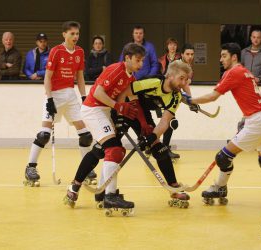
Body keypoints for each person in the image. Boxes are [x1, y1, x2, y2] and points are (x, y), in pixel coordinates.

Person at [183, 43, 261, 205]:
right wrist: (244, 119)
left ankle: (220, 187)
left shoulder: (233, 72)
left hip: (257, 121)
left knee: (223, 157)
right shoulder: (245, 71)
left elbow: (213, 96)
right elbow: (249, 97)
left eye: (224, 56)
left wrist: (190, 100)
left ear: (234, 57)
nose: (221, 59)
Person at [64, 59, 193, 209]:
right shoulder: (154, 81)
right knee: (103, 149)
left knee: (159, 149)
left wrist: (151, 135)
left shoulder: (176, 97)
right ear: (170, 76)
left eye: (187, 80)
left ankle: (174, 187)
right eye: (181, 78)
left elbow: (165, 121)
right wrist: (118, 114)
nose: (184, 83)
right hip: (125, 108)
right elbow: (127, 91)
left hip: (141, 115)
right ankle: (75, 186)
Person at [63, 42, 145, 213]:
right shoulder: (115, 69)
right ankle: (110, 196)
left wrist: (141, 124)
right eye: (138, 60)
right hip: (93, 110)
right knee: (114, 150)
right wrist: (118, 107)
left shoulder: (130, 76)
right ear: (127, 58)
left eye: (142, 61)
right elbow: (98, 93)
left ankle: (86, 188)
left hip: (105, 111)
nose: (141, 64)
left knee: (101, 150)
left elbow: (127, 96)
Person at [23, 21, 94, 187]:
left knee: (85, 136)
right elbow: (47, 77)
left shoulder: (80, 52)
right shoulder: (56, 51)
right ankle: (30, 167)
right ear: (64, 34)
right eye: (72, 34)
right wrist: (48, 100)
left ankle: (87, 168)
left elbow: (80, 76)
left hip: (70, 96)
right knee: (44, 135)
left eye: (77, 34)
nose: (75, 37)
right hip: (54, 95)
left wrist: (84, 97)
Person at [162, 43, 195, 160]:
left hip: (174, 97)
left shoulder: (188, 68)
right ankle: (162, 149)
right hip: (164, 96)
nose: (190, 56)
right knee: (171, 123)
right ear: (181, 54)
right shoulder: (177, 65)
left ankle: (156, 146)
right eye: (187, 54)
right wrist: (191, 101)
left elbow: (184, 86)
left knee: (168, 123)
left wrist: (191, 101)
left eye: (192, 54)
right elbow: (174, 84)